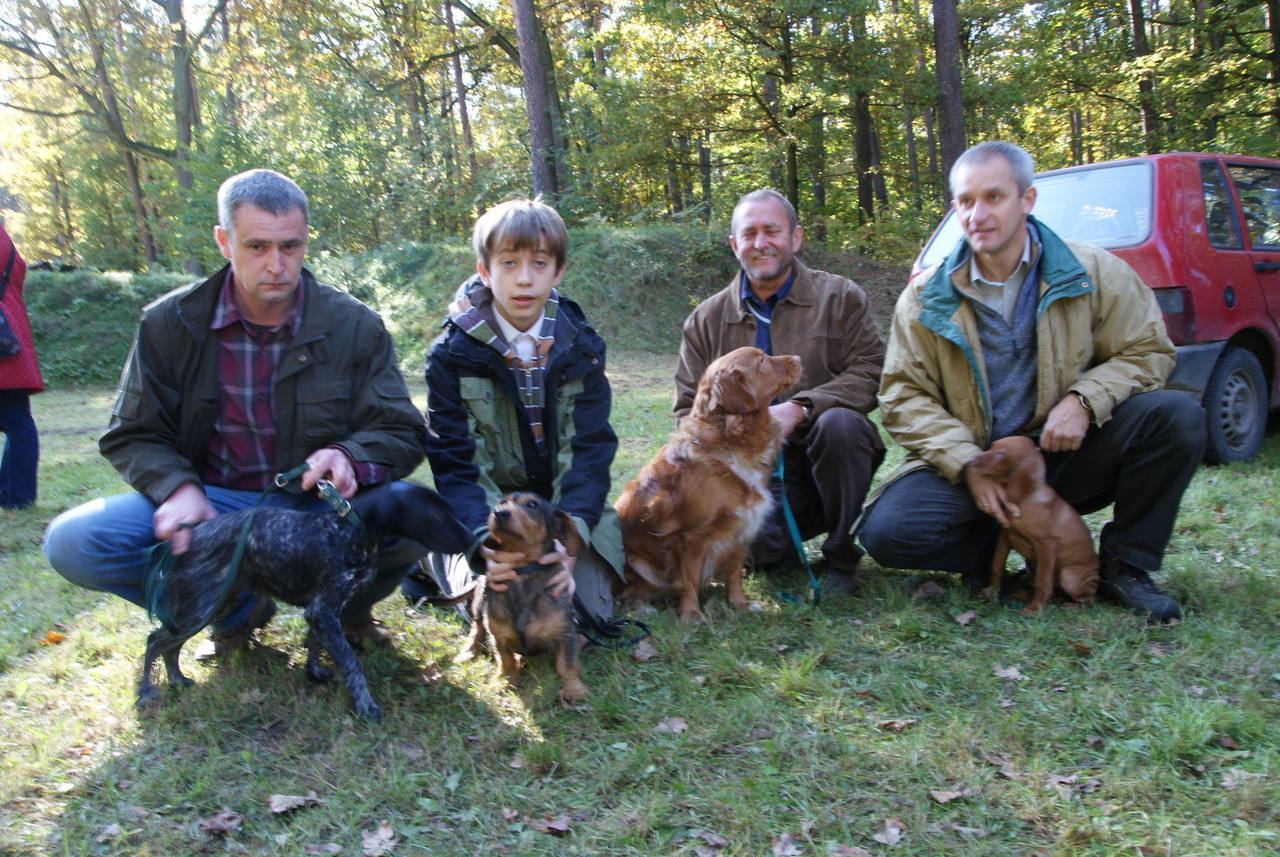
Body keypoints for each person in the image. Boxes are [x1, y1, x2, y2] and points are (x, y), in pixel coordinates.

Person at [43, 169, 427, 652]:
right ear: (224, 242)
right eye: (257, 247)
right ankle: (230, 604)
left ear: (306, 241)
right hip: (212, 506)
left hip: (312, 506)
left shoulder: (355, 325)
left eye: (290, 247)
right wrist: (176, 489)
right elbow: (132, 433)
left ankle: (346, 611)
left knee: (413, 512)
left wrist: (350, 454)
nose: (277, 265)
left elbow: (401, 429)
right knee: (75, 542)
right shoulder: (170, 323)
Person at [857, 141, 1204, 622]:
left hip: (1070, 451)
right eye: (966, 201)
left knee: (1176, 416)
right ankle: (1015, 557)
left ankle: (1126, 567)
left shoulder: (1093, 271)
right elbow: (900, 395)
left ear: (1027, 201)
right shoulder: (924, 296)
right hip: (985, 461)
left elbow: (1148, 351)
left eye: (994, 197)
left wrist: (1084, 400)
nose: (978, 214)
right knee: (888, 533)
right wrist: (965, 462)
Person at [414, 198, 623, 625]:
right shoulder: (449, 356)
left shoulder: (583, 348)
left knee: (585, 616)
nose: (525, 279)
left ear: (558, 270)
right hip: (485, 512)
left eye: (539, 263)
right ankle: (434, 558)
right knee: (500, 615)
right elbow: (456, 461)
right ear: (485, 270)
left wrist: (569, 538)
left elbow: (588, 452)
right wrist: (483, 544)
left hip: (556, 513)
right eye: (509, 263)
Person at [673, 189, 886, 594]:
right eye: (749, 234)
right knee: (757, 552)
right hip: (750, 474)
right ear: (734, 245)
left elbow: (872, 369)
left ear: (796, 237)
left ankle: (841, 555)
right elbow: (687, 411)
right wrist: (735, 452)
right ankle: (779, 545)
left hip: (825, 454)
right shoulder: (705, 320)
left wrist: (802, 408)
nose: (761, 243)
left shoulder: (840, 297)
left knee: (842, 425)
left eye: (772, 231)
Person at [0, 221, 43, 509]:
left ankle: (16, 495)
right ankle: (13, 493)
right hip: (9, 338)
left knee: (18, 424)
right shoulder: (5, 242)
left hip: (5, 344)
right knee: (18, 423)